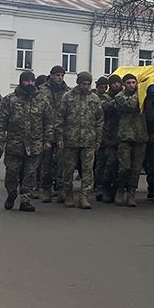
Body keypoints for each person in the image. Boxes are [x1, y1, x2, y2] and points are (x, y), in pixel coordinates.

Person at [0, 71, 53, 211]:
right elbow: (1, 121)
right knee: (12, 172)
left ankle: (25, 199)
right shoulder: (10, 99)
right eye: (26, 81)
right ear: (21, 82)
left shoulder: (42, 99)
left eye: (32, 81)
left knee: (30, 174)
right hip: (15, 143)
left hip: (35, 144)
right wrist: (0, 140)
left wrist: (48, 139)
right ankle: (11, 193)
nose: (30, 83)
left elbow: (49, 121)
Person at [53, 71, 104, 209]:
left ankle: (84, 197)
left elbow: (99, 120)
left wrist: (98, 139)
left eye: (88, 84)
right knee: (68, 169)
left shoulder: (94, 98)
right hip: (70, 139)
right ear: (78, 82)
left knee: (88, 170)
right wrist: (59, 137)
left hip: (89, 140)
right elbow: (59, 118)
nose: (85, 86)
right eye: (83, 84)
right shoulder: (68, 97)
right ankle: (68, 194)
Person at [112, 74, 148, 206]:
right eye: (128, 83)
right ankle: (120, 189)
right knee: (124, 167)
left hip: (140, 137)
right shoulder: (119, 97)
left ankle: (131, 193)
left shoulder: (142, 96)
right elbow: (131, 105)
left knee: (136, 169)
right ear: (123, 84)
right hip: (125, 137)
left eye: (134, 82)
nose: (131, 85)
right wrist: (140, 91)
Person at [36, 66, 70, 199]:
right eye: (57, 75)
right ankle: (46, 188)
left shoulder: (67, 92)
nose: (60, 78)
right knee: (46, 162)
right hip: (46, 131)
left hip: (62, 132)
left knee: (61, 162)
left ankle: (60, 187)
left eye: (62, 75)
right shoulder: (41, 90)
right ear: (51, 75)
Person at [96, 74, 122, 202]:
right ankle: (103, 187)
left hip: (121, 135)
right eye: (114, 83)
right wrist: (117, 100)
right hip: (107, 136)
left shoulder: (124, 96)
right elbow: (103, 107)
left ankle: (116, 189)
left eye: (118, 83)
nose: (116, 85)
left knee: (118, 164)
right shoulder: (105, 97)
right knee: (105, 163)